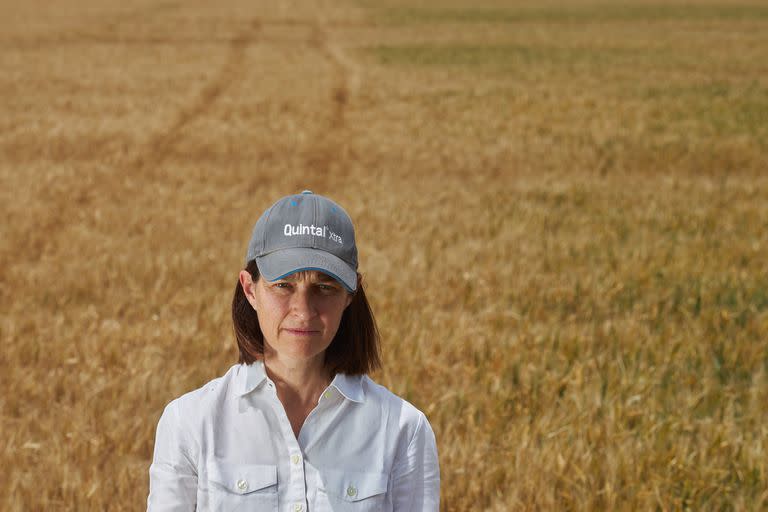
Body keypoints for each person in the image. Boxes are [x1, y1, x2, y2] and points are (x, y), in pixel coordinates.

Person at [147, 190, 440, 511]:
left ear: (350, 294)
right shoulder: (189, 423)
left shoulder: (403, 431)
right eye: (283, 285)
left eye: (324, 287)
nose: (303, 311)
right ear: (250, 289)